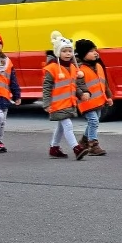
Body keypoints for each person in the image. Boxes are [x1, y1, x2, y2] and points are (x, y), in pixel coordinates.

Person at [44, 32, 90, 161]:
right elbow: (47, 87)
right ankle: (76, 148)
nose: (68, 54)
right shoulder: (52, 68)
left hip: (68, 103)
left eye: (70, 51)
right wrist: (46, 103)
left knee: (61, 126)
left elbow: (73, 85)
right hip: (57, 103)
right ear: (58, 52)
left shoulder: (72, 67)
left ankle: (54, 148)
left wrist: (81, 94)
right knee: (68, 125)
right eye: (64, 51)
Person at [75, 38, 113, 157]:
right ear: (83, 54)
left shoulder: (98, 65)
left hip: (98, 101)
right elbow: (76, 85)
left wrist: (109, 96)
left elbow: (104, 83)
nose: (95, 53)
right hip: (86, 102)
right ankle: (93, 145)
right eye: (91, 51)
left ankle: (84, 142)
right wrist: (81, 94)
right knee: (93, 121)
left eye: (95, 50)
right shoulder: (79, 69)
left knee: (93, 122)